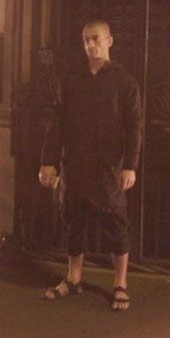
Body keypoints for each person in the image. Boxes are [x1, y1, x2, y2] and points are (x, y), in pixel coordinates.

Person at [39, 19, 142, 311]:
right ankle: (74, 278)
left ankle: (120, 284)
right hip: (75, 165)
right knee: (74, 222)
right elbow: (56, 122)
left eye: (96, 38)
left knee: (115, 223)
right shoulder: (72, 79)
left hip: (108, 167)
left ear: (109, 40)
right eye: (86, 40)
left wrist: (130, 165)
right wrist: (49, 162)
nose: (90, 45)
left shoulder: (124, 82)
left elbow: (135, 126)